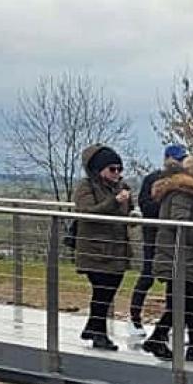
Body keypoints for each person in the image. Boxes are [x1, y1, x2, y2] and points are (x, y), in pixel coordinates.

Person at [141, 157, 193, 363]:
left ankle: (190, 342)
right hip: (184, 256)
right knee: (189, 300)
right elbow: (179, 222)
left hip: (184, 256)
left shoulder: (185, 193)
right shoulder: (184, 193)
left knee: (189, 301)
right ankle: (174, 340)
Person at [72, 143, 133, 351]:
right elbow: (88, 213)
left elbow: (125, 214)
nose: (117, 173)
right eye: (112, 169)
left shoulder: (121, 187)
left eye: (119, 169)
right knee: (102, 292)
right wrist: (114, 202)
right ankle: (99, 334)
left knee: (108, 291)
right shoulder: (86, 187)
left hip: (118, 249)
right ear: (99, 169)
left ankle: (92, 327)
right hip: (95, 250)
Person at [129, 144, 187, 337]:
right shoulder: (152, 179)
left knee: (174, 280)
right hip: (154, 236)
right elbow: (146, 207)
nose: (180, 163)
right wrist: (164, 205)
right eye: (178, 159)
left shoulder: (185, 182)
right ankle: (134, 318)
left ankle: (170, 322)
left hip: (175, 238)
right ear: (167, 159)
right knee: (147, 275)